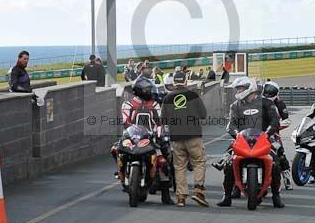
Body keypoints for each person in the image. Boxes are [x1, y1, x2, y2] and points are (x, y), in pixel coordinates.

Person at [217, 76, 284, 208]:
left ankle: (276, 196)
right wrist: (236, 134)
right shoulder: (235, 106)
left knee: (276, 162)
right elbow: (231, 124)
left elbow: (275, 121)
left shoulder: (266, 103)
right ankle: (227, 196)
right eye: (238, 89)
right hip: (242, 139)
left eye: (241, 88)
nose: (238, 91)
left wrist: (268, 133)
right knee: (228, 163)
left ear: (250, 88)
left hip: (264, 138)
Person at [115, 77, 173, 205]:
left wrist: (159, 135)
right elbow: (125, 122)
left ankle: (166, 195)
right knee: (115, 149)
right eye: (148, 89)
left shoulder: (154, 105)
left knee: (163, 161)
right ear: (141, 90)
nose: (150, 92)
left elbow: (159, 123)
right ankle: (121, 173)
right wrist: (128, 132)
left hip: (150, 138)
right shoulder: (128, 104)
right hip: (132, 137)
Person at [161, 70, 208, 207]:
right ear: (186, 81)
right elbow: (203, 114)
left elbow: (163, 119)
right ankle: (198, 191)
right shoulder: (193, 95)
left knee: (179, 166)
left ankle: (181, 197)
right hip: (194, 135)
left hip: (176, 138)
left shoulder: (168, 98)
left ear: (174, 82)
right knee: (199, 162)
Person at [262, 81, 293, 190]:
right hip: (257, 133)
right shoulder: (257, 101)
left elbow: (287, 121)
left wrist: (275, 126)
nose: (268, 94)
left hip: (273, 134)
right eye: (266, 92)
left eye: (271, 93)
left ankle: (287, 179)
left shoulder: (280, 104)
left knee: (281, 154)